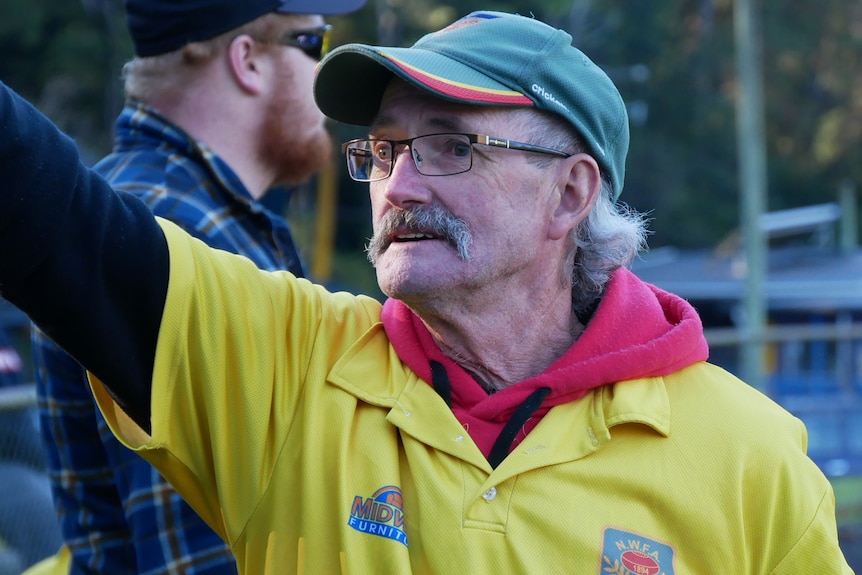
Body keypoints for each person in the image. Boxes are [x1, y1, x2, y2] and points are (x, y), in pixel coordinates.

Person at [0, 9, 854, 574]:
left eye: (451, 147)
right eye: (383, 148)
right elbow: (51, 215)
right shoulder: (293, 363)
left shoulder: (750, 461)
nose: (398, 184)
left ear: (571, 193)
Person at [26, 0, 365, 573]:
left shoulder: (157, 207)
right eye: (316, 45)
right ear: (247, 60)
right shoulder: (178, 232)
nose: (324, 77)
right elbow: (205, 551)